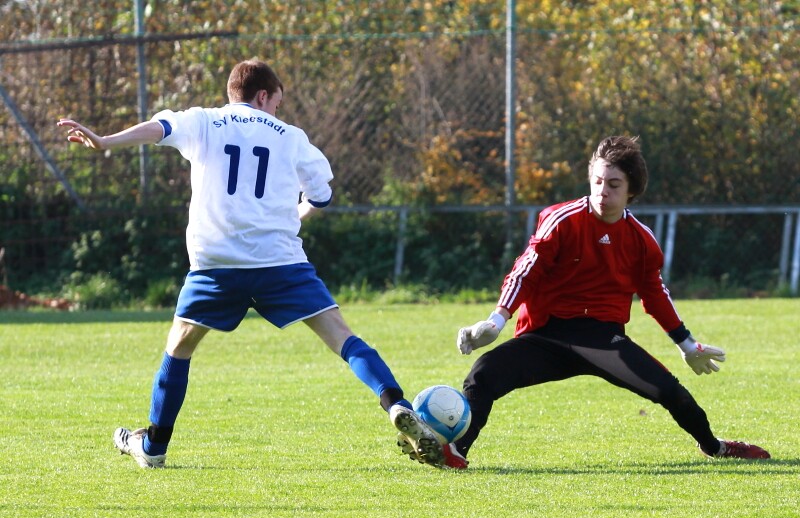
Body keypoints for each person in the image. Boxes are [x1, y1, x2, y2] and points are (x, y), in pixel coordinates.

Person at [57, 59, 444, 469]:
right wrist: (295, 215)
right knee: (342, 338)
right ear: (263, 95)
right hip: (280, 262)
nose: (277, 110)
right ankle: (396, 404)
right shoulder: (291, 137)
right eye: (277, 102)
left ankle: (153, 447)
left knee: (180, 347)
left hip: (216, 266)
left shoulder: (205, 121)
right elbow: (321, 196)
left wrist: (105, 141)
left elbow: (160, 128)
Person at [403, 135, 770, 469]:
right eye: (597, 181)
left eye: (613, 184)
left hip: (601, 339)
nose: (602, 191)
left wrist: (687, 344)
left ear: (631, 191)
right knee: (483, 373)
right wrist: (496, 320)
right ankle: (455, 452)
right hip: (546, 337)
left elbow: (655, 295)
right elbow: (526, 270)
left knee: (669, 391)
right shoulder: (561, 220)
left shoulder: (641, 240)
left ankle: (715, 447)